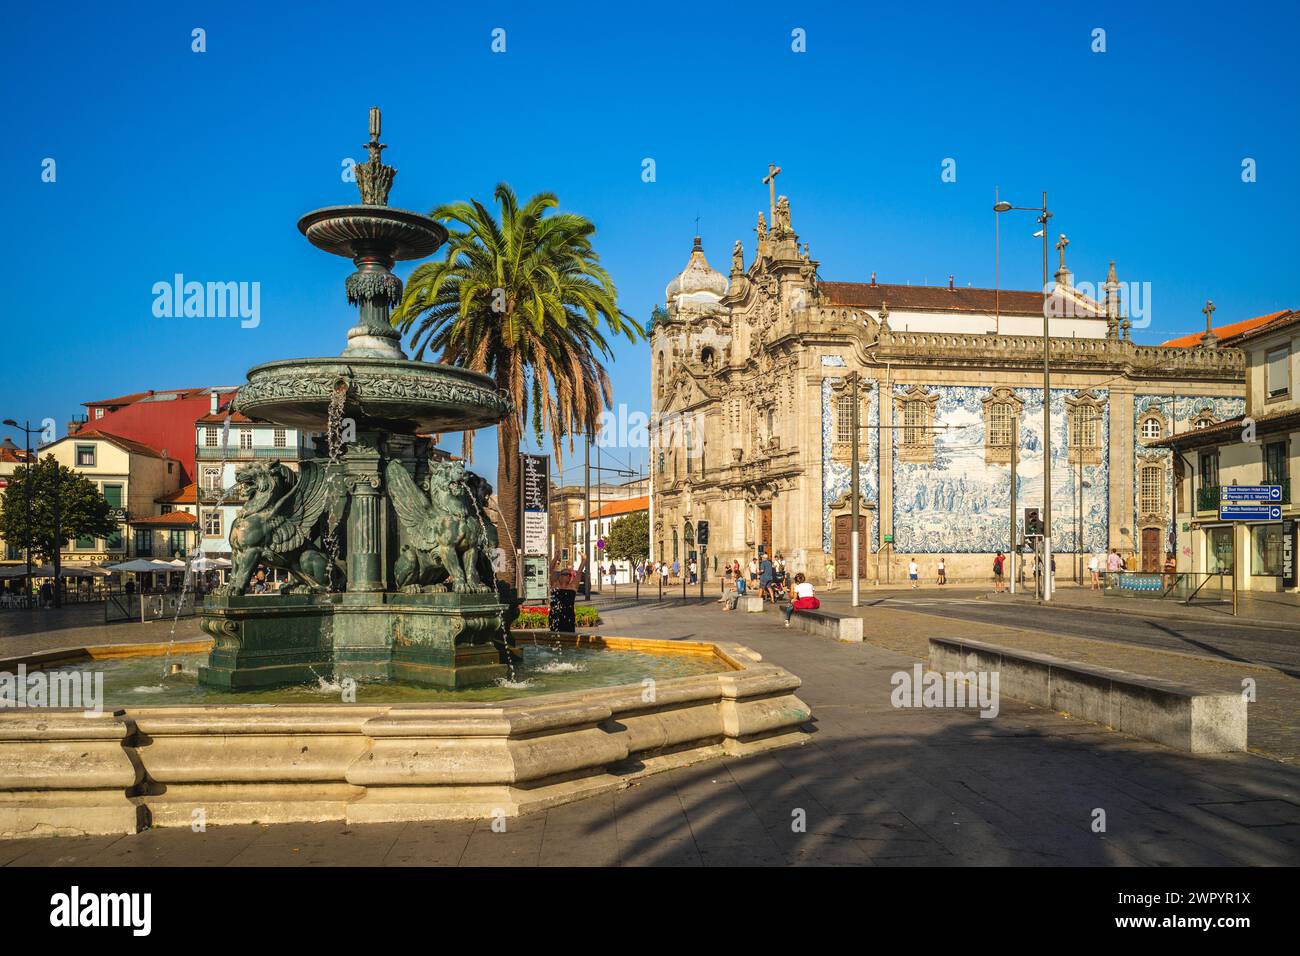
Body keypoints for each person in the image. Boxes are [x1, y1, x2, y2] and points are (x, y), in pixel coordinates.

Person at [548, 560, 579, 633]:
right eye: (566, 574)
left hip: (569, 618)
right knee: (554, 637)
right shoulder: (555, 585)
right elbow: (550, 569)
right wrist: (556, 556)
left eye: (570, 574)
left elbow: (579, 573)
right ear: (561, 576)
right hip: (555, 617)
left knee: (568, 639)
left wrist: (584, 560)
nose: (568, 576)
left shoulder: (572, 587)